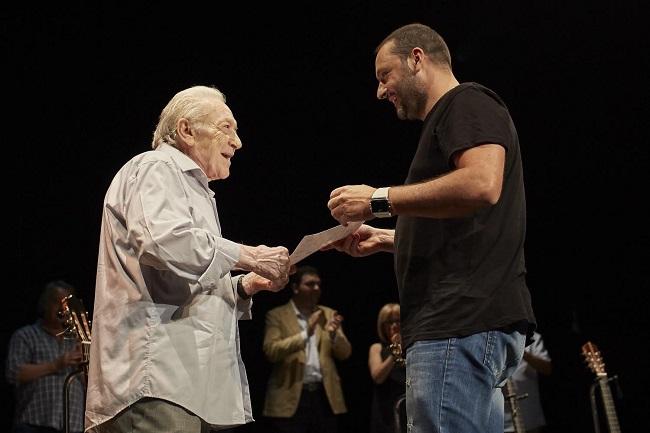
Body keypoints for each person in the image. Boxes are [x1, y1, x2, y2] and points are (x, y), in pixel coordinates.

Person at [326, 23, 536, 433]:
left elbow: (480, 184)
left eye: (385, 75)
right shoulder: (453, 116)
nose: (380, 90)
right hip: (465, 325)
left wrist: (377, 200)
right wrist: (388, 239)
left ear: (417, 59)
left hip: (458, 325)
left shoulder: (467, 103)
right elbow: (466, 223)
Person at [84, 85, 292, 433]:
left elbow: (184, 279)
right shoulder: (155, 167)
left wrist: (243, 286)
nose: (237, 142)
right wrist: (249, 256)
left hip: (187, 384)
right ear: (186, 130)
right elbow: (163, 242)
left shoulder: (191, 186)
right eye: (227, 128)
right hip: (155, 380)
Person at [262, 265, 352, 433]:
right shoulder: (277, 315)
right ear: (295, 287)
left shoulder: (328, 314)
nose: (316, 288)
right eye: (310, 284)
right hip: (290, 397)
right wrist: (306, 333)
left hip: (324, 396)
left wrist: (334, 335)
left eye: (318, 284)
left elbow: (345, 353)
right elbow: (271, 351)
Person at [5, 280, 85, 433]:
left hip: (73, 426)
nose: (63, 308)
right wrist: (56, 365)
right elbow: (14, 372)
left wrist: (84, 366)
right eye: (57, 302)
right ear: (44, 305)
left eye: (68, 303)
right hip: (34, 424)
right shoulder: (26, 335)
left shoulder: (77, 340)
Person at [368, 303, 406, 433]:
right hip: (387, 409)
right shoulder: (377, 348)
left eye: (398, 321)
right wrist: (394, 352)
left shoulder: (412, 346)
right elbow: (378, 377)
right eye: (389, 322)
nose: (395, 326)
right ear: (382, 325)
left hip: (409, 405)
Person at [504, 331, 552, 433]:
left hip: (529, 416)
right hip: (503, 420)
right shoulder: (491, 337)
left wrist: (523, 353)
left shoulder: (532, 336)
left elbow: (547, 368)